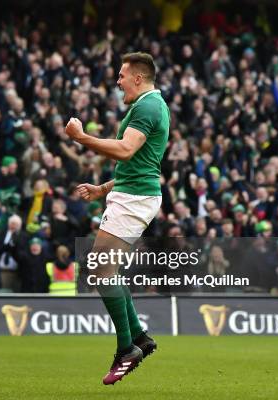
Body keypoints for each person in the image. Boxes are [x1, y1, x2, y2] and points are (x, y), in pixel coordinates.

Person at [65, 52, 168, 385]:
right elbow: (139, 161)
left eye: (122, 76)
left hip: (135, 198)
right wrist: (104, 188)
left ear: (138, 78)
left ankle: (127, 347)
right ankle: (138, 337)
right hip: (131, 192)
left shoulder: (148, 106)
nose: (118, 81)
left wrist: (80, 138)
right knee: (104, 268)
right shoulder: (151, 106)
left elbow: (125, 150)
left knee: (99, 268)